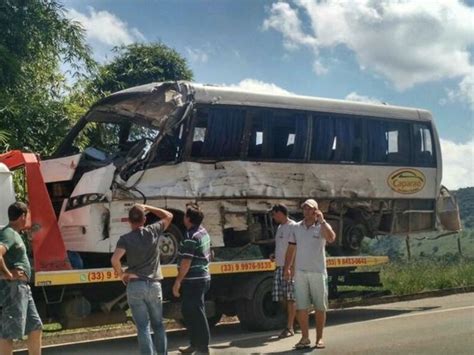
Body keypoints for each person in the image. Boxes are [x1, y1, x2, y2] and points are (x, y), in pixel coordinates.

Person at [111, 204, 173, 355]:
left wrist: (122, 275)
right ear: (145, 219)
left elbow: (115, 259)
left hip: (135, 285)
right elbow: (169, 216)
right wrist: (148, 207)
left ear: (129, 221)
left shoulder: (125, 239)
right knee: (158, 325)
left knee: (143, 327)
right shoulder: (153, 231)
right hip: (154, 285)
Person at [284, 199, 336, 350]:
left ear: (316, 211)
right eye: (304, 209)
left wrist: (323, 221)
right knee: (301, 307)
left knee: (320, 306)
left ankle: (319, 338)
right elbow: (291, 248)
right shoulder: (297, 228)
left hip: (318, 271)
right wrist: (287, 268)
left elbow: (331, 238)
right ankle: (304, 337)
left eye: (310, 209)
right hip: (300, 272)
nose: (306, 211)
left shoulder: (321, 226)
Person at [0, 202, 43, 355]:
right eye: (28, 215)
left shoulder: (15, 234)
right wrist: (7, 274)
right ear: (23, 216)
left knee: (35, 327)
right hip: (14, 288)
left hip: (23, 289)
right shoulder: (9, 233)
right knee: (8, 332)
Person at [173, 203, 211, 355]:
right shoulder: (203, 232)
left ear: (188, 219)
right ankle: (194, 344)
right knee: (189, 311)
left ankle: (203, 347)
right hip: (202, 277)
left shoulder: (190, 236)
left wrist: (178, 281)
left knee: (196, 312)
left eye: (184, 215)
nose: (183, 218)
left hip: (194, 280)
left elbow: (186, 262)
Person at [269, 203, 297, 339]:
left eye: (274, 214)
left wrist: (291, 267)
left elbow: (296, 248)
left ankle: (290, 326)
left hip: (289, 267)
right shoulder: (280, 228)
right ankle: (292, 320)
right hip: (279, 266)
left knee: (290, 297)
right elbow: (281, 246)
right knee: (282, 297)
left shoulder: (293, 227)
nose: (273, 217)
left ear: (280, 213)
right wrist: (274, 254)